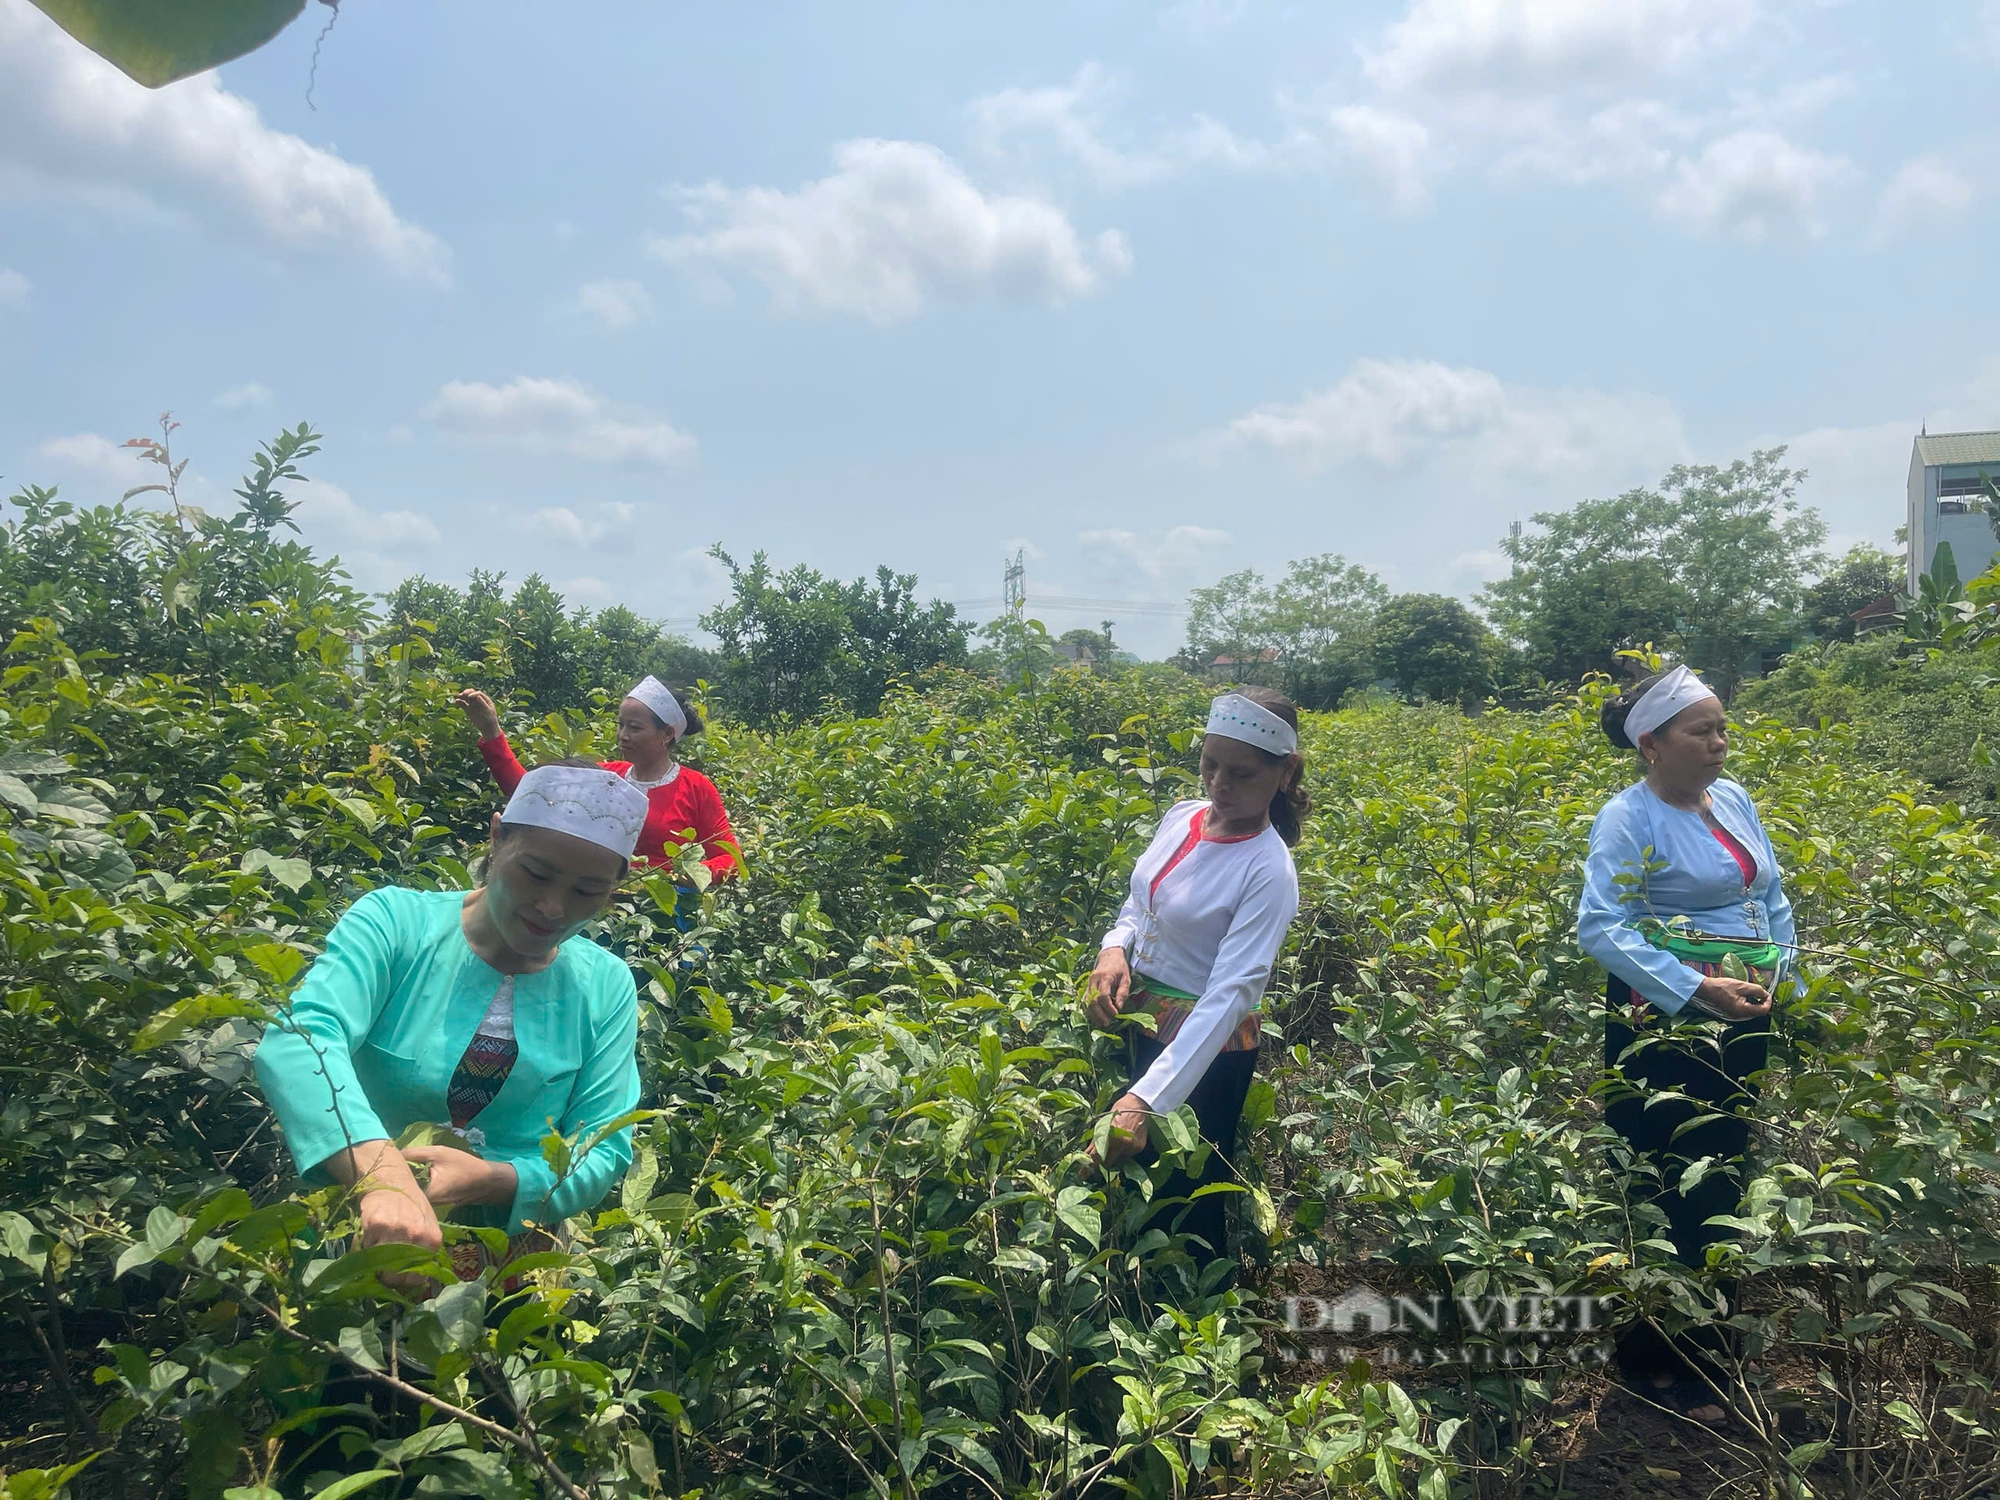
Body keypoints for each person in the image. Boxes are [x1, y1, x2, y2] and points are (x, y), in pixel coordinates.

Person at [253, 762, 649, 1277]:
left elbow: (603, 1144)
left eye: (586, 892)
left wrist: (498, 1179)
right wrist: (382, 1174)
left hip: (512, 1261)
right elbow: (301, 1038)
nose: (552, 907)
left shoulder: (606, 984)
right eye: (536, 873)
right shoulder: (395, 923)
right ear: (497, 835)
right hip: (354, 1231)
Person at [1577, 664, 1794, 1423]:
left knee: (1723, 1168)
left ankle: (1701, 1349)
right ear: (1652, 744)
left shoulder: (1731, 800)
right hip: (1661, 1011)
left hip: (1742, 1007)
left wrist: (1779, 975)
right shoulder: (1627, 818)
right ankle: (1661, 1358)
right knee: (1667, 1172)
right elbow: (1601, 925)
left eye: (1721, 727)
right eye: (1701, 730)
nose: (1719, 742)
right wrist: (1698, 988)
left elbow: (1769, 894)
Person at [1086, 687, 1307, 1276]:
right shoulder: (1181, 816)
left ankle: (1204, 1330)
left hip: (1203, 1050)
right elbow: (1141, 903)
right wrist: (1114, 949)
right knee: (1132, 1186)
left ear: (1282, 775)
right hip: (1136, 1016)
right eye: (1209, 764)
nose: (1217, 784)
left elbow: (1231, 997)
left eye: (1239, 774)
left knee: (1188, 1201)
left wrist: (1145, 1100)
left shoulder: (1268, 869)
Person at [456, 677, 739, 884]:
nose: (622, 735)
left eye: (635, 727)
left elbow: (729, 857)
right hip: (598, 902)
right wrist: (492, 732)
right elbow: (532, 794)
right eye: (621, 724)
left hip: (666, 910)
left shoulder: (696, 788)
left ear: (666, 734)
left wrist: (690, 876)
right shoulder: (606, 777)